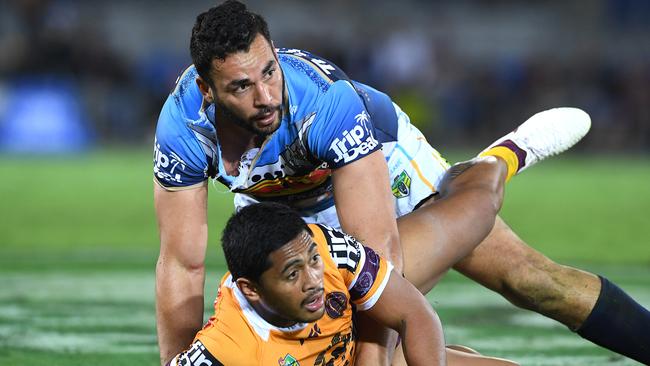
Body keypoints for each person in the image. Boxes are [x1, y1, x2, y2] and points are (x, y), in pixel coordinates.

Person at [153, 1, 650, 364]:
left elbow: (378, 253)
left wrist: (373, 361)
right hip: (287, 214)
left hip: (380, 167)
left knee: (528, 280)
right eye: (241, 86)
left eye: (270, 72)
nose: (265, 97)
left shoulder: (325, 105)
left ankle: (499, 161)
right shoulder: (182, 131)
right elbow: (182, 261)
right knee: (322, 340)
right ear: (206, 89)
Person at [169, 153, 521, 366]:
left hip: (364, 337)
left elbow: (414, 313)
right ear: (251, 289)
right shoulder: (225, 351)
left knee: (478, 205)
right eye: (292, 274)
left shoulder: (326, 250)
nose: (313, 280)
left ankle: (501, 157)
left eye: (312, 261)